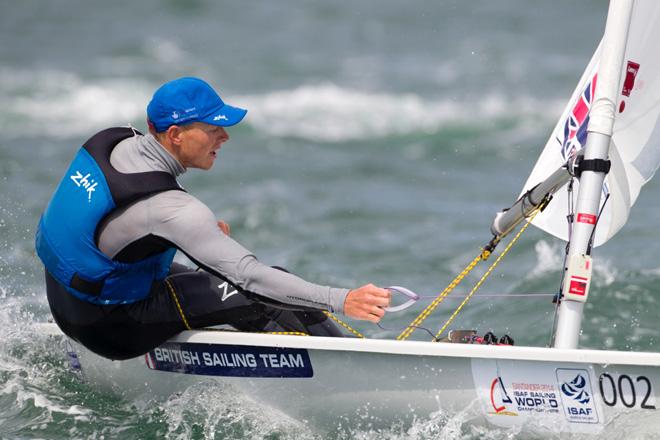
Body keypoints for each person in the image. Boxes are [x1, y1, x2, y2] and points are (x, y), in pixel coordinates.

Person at [35, 77, 391, 360]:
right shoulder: (173, 210)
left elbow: (119, 229)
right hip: (109, 328)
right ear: (175, 135)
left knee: (215, 278)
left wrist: (185, 237)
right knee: (269, 294)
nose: (225, 136)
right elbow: (249, 276)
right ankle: (350, 375)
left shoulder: (112, 144)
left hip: (65, 300)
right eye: (212, 128)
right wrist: (342, 299)